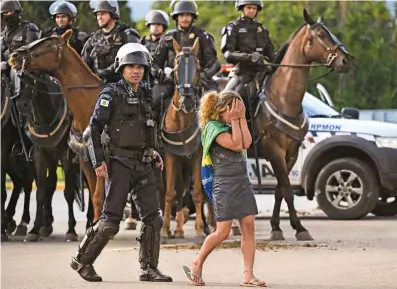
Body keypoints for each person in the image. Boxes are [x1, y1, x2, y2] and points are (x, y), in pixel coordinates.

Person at [70, 43, 172, 283]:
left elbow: (151, 128)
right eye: (130, 67)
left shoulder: (147, 94)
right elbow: (92, 130)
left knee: (154, 219)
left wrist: (155, 151)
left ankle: (148, 268)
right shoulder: (110, 94)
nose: (135, 71)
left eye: (139, 67)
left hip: (144, 164)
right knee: (109, 223)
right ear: (121, 68)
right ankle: (82, 262)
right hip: (119, 164)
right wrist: (98, 163)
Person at [181, 90, 266, 287]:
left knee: (249, 228)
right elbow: (236, 145)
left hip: (242, 182)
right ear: (222, 110)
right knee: (223, 232)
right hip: (224, 183)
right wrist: (236, 120)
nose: (236, 112)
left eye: (239, 108)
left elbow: (246, 142)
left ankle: (248, 275)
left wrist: (242, 118)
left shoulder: (232, 123)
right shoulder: (212, 127)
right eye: (233, 109)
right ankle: (197, 263)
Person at [151, 0, 221, 116]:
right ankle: (152, 131)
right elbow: (154, 64)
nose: (185, 18)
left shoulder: (203, 36)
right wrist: (161, 73)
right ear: (176, 17)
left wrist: (204, 75)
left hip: (198, 81)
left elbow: (215, 63)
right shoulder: (167, 37)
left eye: (188, 15)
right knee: (152, 101)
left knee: (219, 105)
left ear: (193, 17)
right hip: (171, 81)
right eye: (182, 15)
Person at [221, 0, 274, 108]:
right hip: (242, 72)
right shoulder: (233, 27)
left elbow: (271, 55)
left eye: (254, 8)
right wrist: (249, 57)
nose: (251, 11)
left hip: (262, 72)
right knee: (225, 99)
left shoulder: (262, 29)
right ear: (242, 8)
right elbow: (228, 54)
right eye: (249, 8)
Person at [81, 0, 140, 84]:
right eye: (98, 14)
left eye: (103, 14)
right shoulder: (93, 39)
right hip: (97, 86)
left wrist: (109, 71)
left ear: (112, 15)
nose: (99, 17)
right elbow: (84, 64)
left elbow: (136, 60)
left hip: (124, 85)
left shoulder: (127, 34)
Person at [0, 0, 39, 98]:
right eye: (5, 13)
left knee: (16, 72)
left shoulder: (29, 28)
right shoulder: (3, 33)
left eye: (10, 12)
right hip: (6, 68)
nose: (8, 15)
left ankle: (20, 102)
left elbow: (31, 52)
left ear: (17, 12)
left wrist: (8, 63)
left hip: (25, 68)